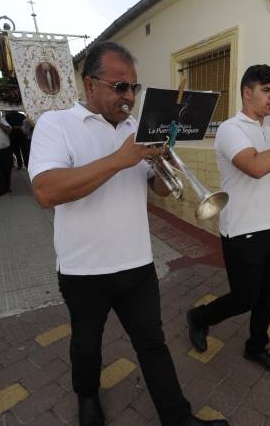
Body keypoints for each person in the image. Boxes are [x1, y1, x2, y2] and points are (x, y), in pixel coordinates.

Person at [28, 41, 228, 426]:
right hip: (82, 268)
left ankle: (178, 418)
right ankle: (87, 397)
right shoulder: (57, 125)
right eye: (119, 86)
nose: (129, 97)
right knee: (87, 344)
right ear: (90, 85)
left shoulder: (140, 128)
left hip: (137, 263)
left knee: (153, 345)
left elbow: (158, 188)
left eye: (134, 88)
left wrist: (166, 163)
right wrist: (120, 159)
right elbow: (46, 191)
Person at [186, 64, 270, 375]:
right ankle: (200, 317)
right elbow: (255, 167)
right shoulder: (231, 129)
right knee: (244, 297)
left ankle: (256, 347)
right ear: (247, 93)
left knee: (267, 294)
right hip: (242, 230)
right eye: (266, 91)